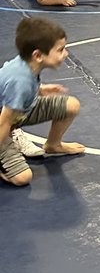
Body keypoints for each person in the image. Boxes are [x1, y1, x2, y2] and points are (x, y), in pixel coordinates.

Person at [0, 16, 83, 187]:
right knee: (23, 178)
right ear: (38, 55)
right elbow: (4, 122)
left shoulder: (27, 66)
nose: (66, 54)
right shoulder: (20, 81)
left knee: (71, 105)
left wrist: (41, 89)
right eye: (60, 50)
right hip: (4, 122)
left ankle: (53, 145)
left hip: (18, 113)